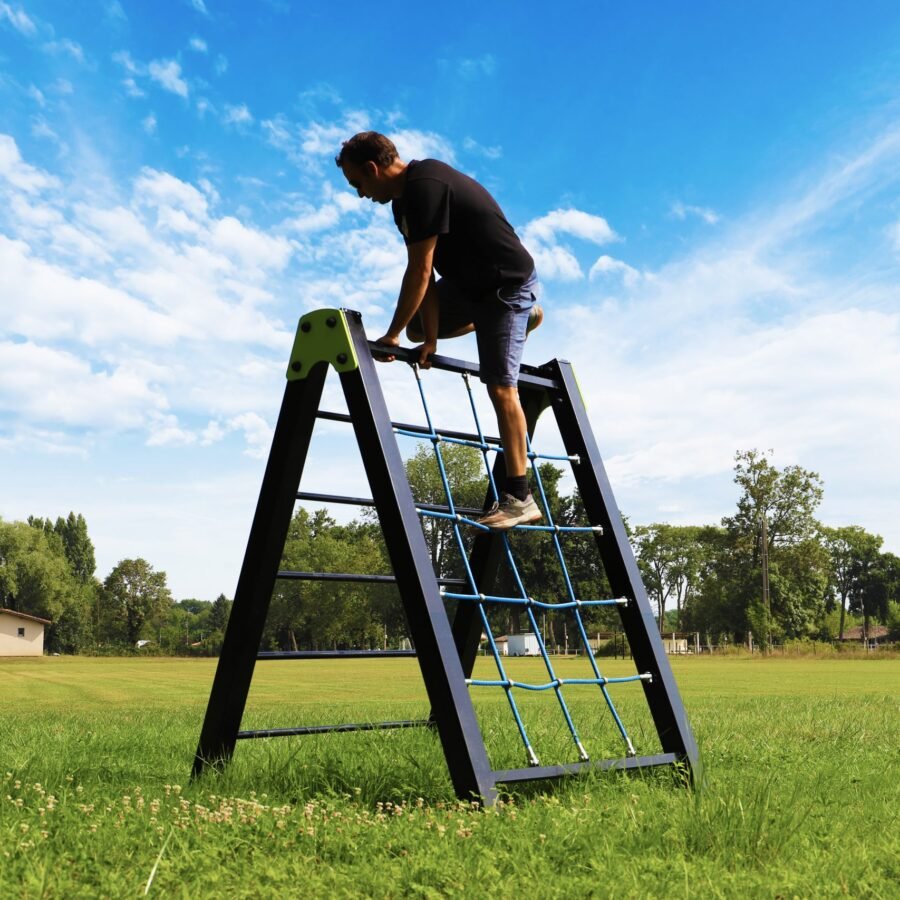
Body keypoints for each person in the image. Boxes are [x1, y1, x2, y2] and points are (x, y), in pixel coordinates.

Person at [335, 131, 544, 530]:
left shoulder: (426, 185)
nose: (360, 194)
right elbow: (427, 280)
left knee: (501, 386)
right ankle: (518, 323)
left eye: (357, 183)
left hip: (507, 286)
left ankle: (520, 498)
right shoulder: (402, 205)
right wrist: (428, 338)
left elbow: (420, 269)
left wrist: (390, 334)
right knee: (417, 330)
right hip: (469, 288)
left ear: (372, 169)